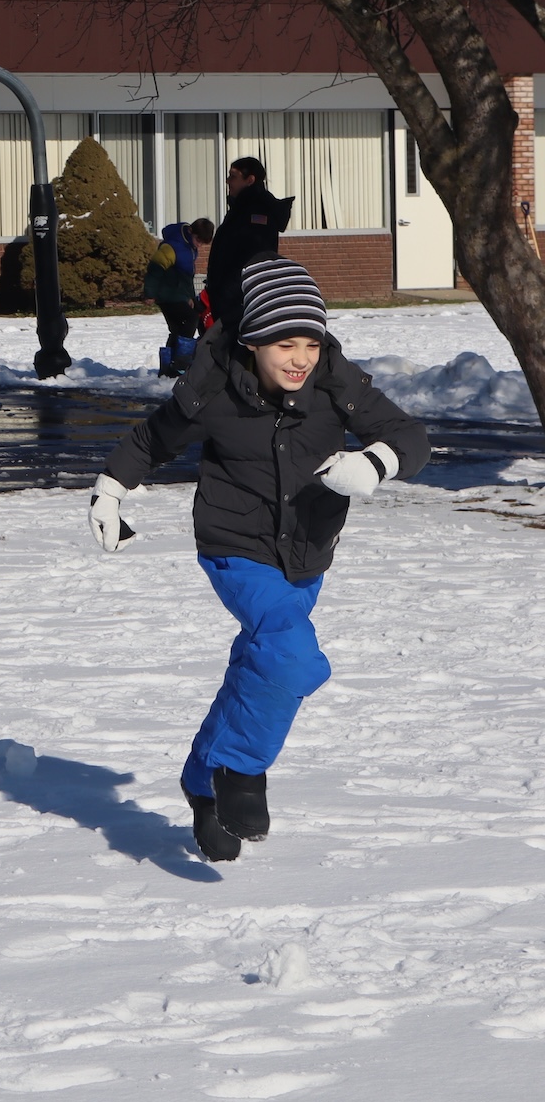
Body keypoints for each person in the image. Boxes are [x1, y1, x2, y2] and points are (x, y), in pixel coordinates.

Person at [88, 255, 429, 862]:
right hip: (234, 547)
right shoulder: (212, 388)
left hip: (308, 552)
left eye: (310, 343)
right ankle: (241, 772)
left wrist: (373, 462)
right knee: (293, 660)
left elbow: (410, 437)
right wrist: (110, 491)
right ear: (251, 342)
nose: (300, 358)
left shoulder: (335, 383)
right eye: (284, 344)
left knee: (260, 663)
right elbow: (153, 438)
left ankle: (200, 780)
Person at [204, 158, 294, 334]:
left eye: (233, 176)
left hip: (240, 298)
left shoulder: (256, 210)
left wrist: (228, 292)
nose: (228, 181)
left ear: (250, 180)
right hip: (231, 296)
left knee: (238, 349)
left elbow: (254, 255)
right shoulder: (241, 208)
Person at [144, 220, 214, 377]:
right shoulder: (171, 246)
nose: (199, 246)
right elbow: (155, 269)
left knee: (177, 329)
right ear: (190, 232)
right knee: (191, 319)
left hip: (178, 294)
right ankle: (180, 362)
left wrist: (190, 297)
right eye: (198, 241)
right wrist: (150, 292)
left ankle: (168, 367)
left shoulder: (190, 248)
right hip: (167, 294)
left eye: (203, 244)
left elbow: (188, 277)